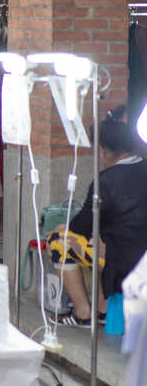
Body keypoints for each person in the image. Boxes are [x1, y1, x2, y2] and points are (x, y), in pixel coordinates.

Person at [47, 106, 147, 325]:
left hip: (122, 259)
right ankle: (102, 310)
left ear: (102, 150)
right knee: (101, 239)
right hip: (140, 254)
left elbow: (80, 227)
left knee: (58, 242)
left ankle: (83, 313)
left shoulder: (105, 182)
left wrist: (64, 229)